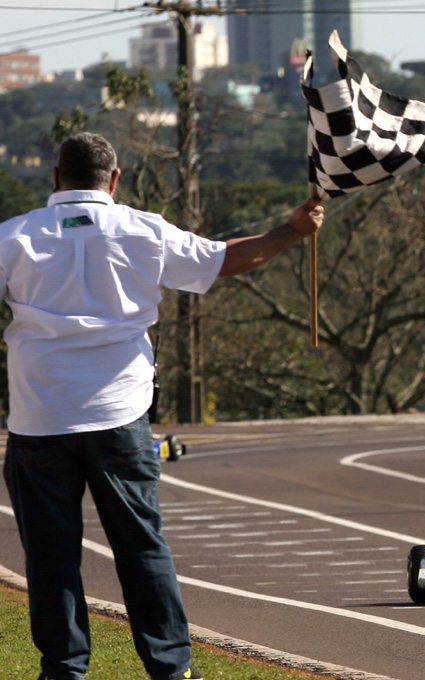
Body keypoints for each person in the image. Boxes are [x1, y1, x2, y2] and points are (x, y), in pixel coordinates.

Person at [0, 132, 324, 680]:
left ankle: (63, 670)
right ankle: (172, 671)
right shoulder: (141, 229)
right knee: (141, 547)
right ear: (115, 179)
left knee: (51, 558)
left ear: (55, 178)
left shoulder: (13, 235)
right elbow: (225, 260)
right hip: (120, 416)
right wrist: (292, 230)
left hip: (40, 416)